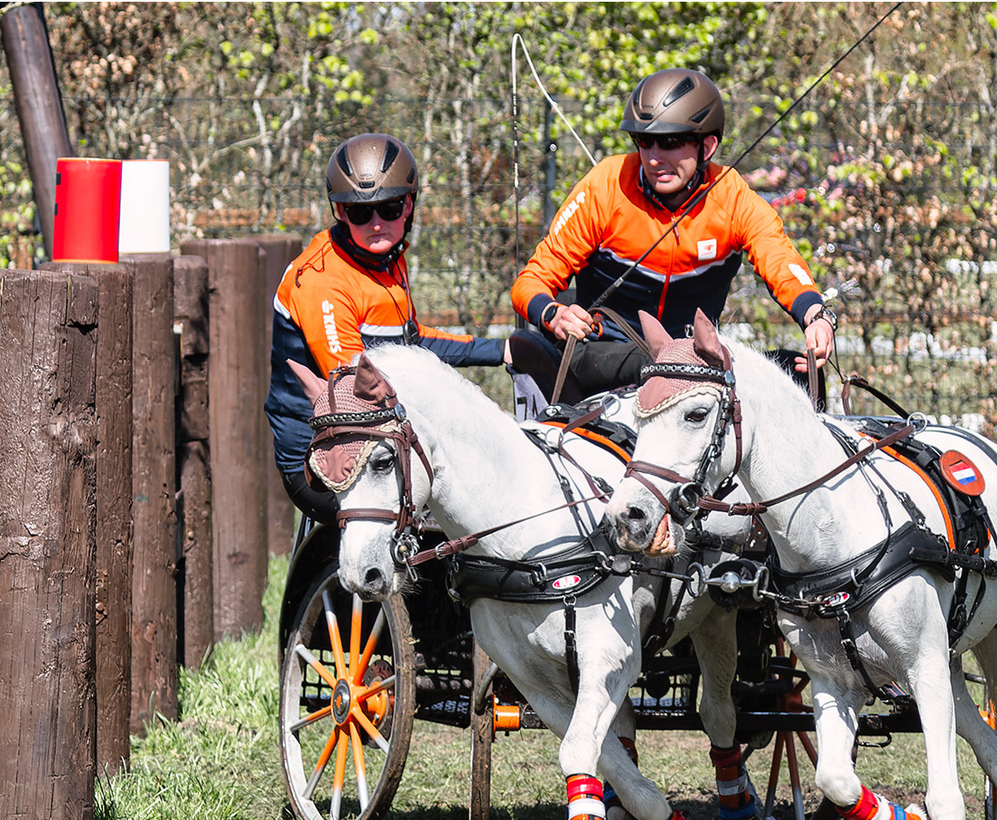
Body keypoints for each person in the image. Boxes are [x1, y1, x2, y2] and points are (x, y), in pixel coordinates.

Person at [508, 67, 836, 405]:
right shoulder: (605, 186)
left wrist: (816, 316)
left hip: (692, 358)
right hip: (602, 353)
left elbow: (779, 257)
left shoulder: (732, 196)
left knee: (797, 373)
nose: (653, 158)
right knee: (663, 366)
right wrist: (552, 313)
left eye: (670, 142)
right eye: (644, 141)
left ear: (706, 146)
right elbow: (530, 282)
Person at [265, 132, 505, 523]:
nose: (377, 224)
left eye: (390, 208)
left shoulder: (386, 258)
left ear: (408, 205)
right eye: (360, 213)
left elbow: (408, 343)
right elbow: (355, 392)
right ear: (340, 213)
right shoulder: (323, 281)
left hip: (377, 430)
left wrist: (501, 351)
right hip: (321, 452)